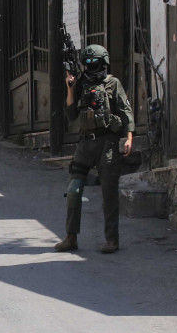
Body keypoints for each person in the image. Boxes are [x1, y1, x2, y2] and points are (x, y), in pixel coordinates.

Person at [55, 44, 135, 254]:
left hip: (107, 144)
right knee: (73, 190)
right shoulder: (81, 83)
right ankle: (71, 237)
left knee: (109, 193)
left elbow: (126, 111)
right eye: (87, 61)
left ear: (103, 62)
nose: (91, 65)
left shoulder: (112, 83)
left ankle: (112, 240)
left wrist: (128, 138)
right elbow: (71, 114)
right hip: (85, 144)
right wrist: (70, 87)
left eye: (94, 61)